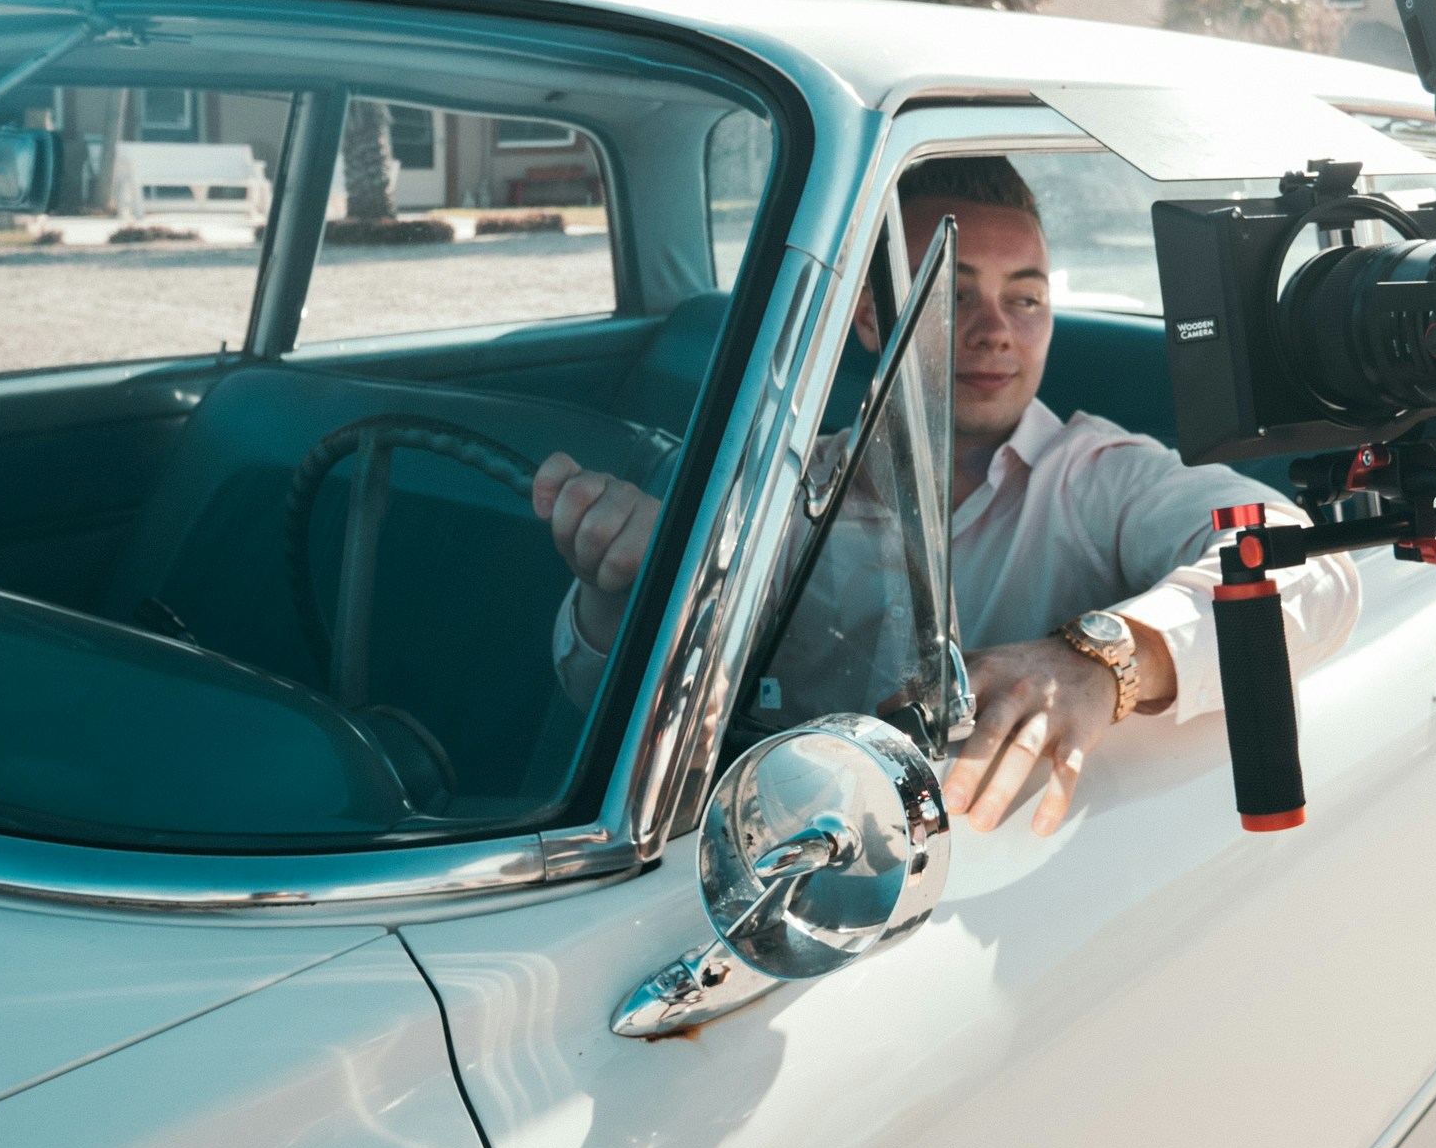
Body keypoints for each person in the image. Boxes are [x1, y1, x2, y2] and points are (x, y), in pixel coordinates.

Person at [536, 156, 1359, 837]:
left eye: (1026, 297)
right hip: (771, 853)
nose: (995, 329)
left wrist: (1101, 659)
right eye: (953, 294)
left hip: (998, 861)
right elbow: (597, 692)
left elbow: (1301, 565)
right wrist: (621, 591)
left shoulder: (1101, 473)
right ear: (866, 318)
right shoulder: (778, 487)